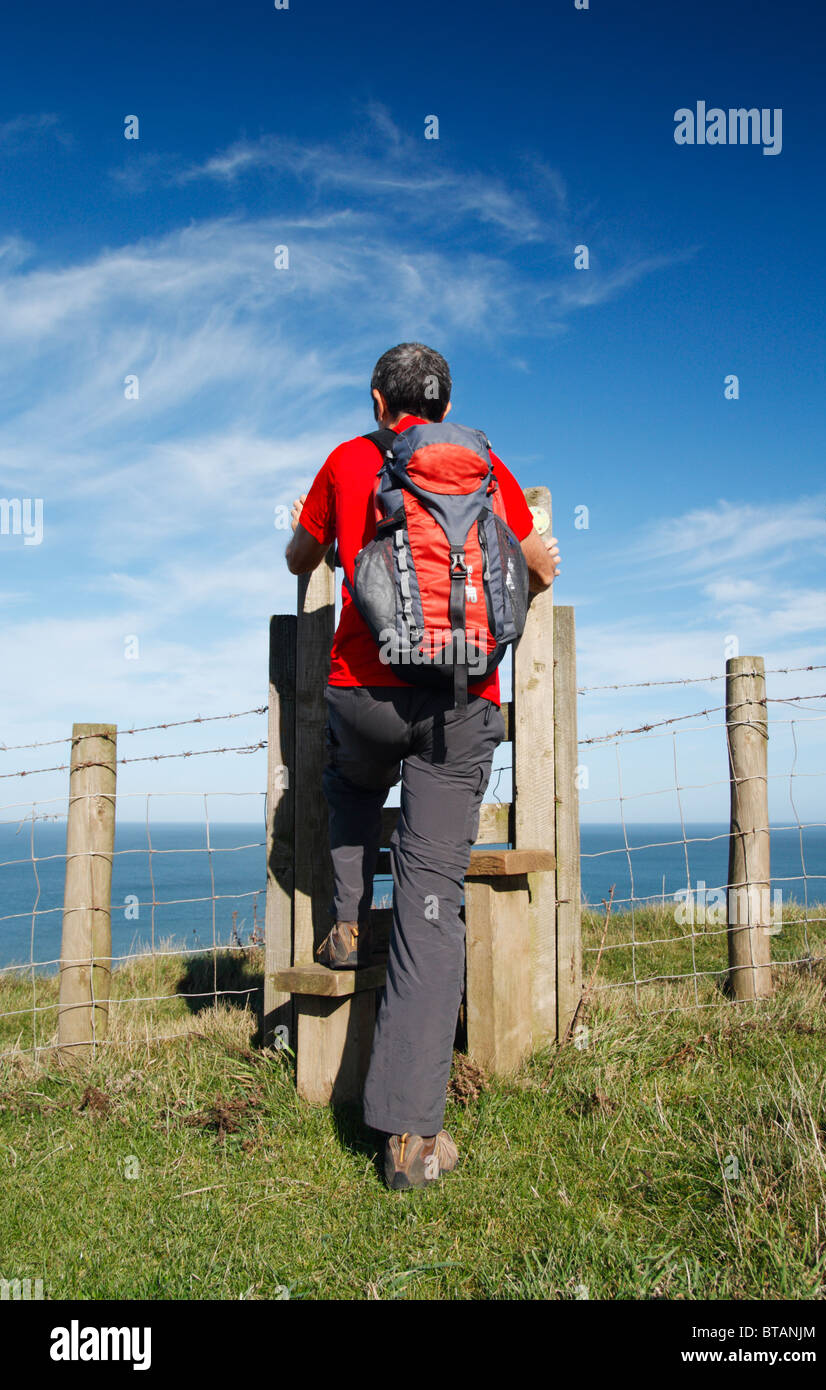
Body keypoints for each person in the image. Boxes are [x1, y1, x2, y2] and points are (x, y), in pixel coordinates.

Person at [285, 343, 559, 1188]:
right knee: (432, 900)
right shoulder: (486, 467)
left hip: (362, 692)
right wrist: (538, 561)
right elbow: (530, 565)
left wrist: (323, 543)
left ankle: (340, 923)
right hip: (458, 704)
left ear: (377, 399)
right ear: (442, 408)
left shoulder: (346, 460)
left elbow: (299, 557)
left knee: (347, 781)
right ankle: (409, 1140)